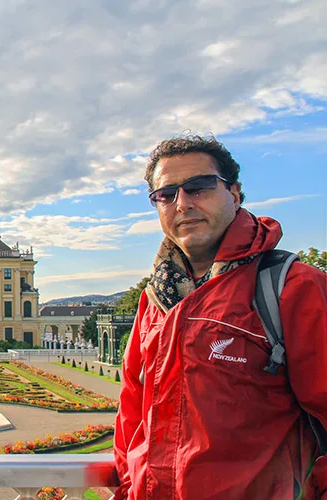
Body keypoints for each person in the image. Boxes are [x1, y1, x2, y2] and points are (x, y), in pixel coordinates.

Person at [113, 135, 327, 499]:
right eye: (166, 194)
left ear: (235, 193)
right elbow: (132, 413)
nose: (183, 204)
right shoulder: (156, 299)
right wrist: (130, 488)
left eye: (199, 187)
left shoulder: (294, 287)